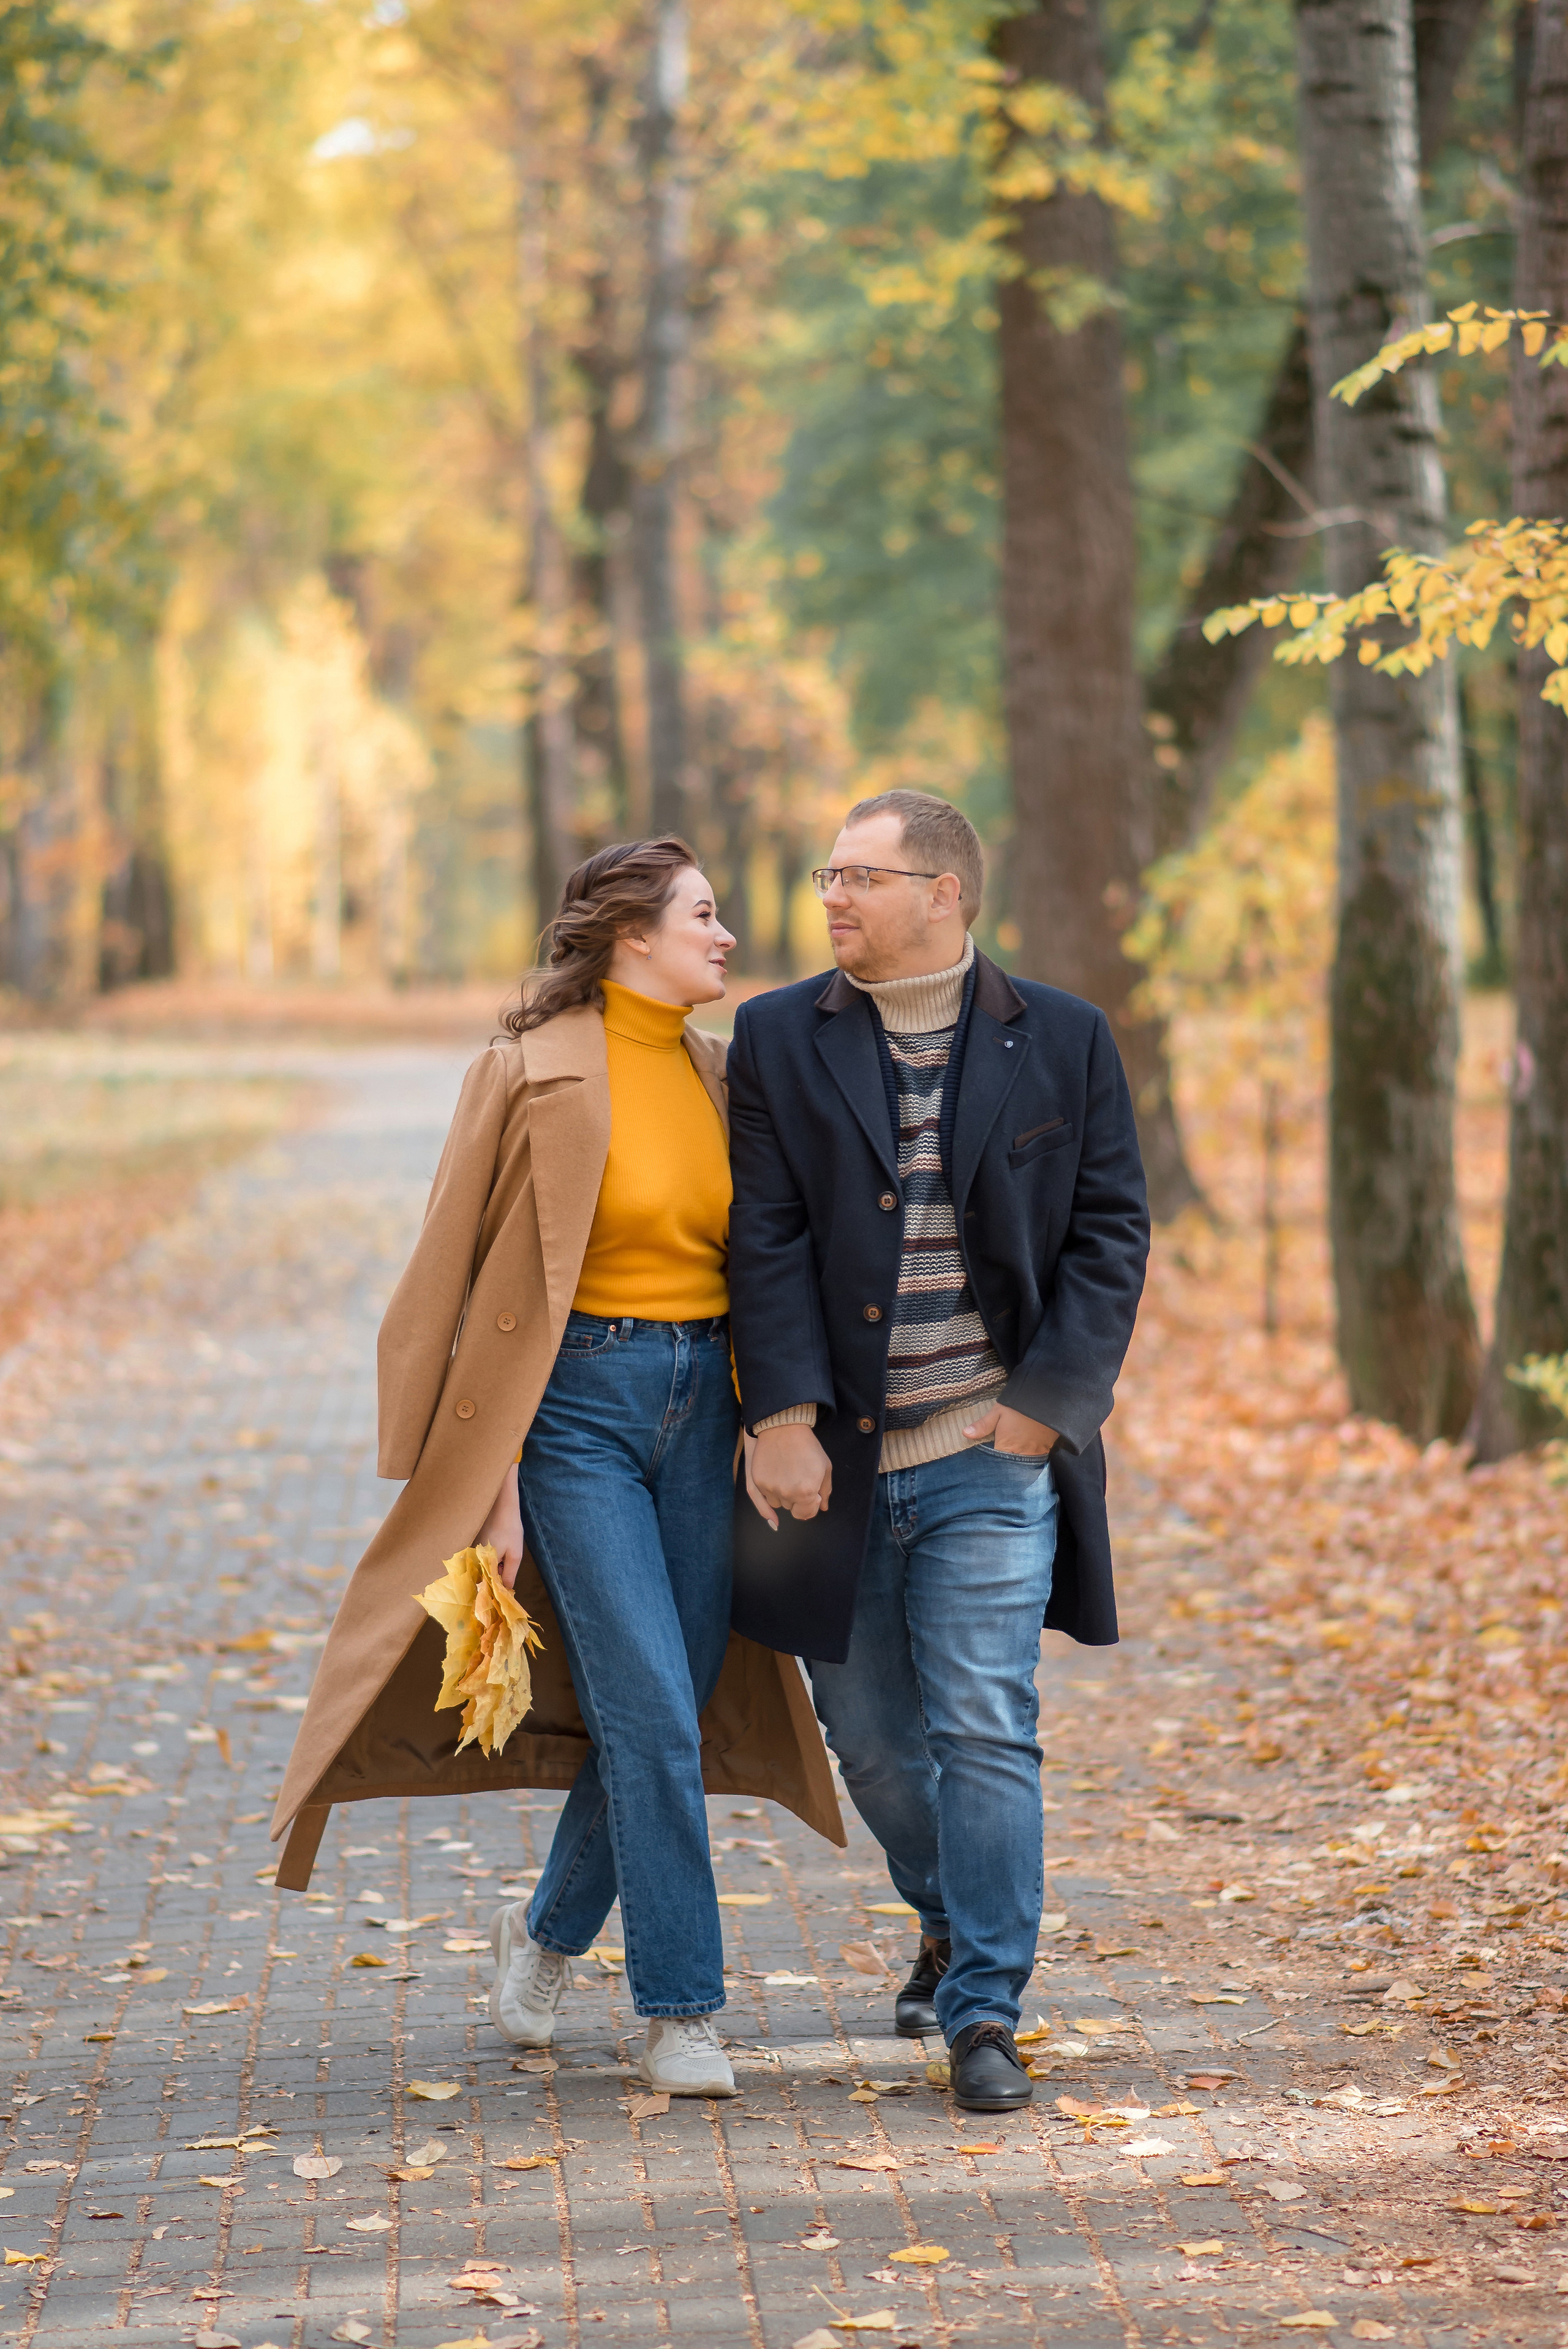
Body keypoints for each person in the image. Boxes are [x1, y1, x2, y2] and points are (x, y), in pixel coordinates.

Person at [272, 834, 843, 2100]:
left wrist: (777, 1417)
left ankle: (540, 1936)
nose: (728, 935)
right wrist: (492, 1483)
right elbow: (455, 1269)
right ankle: (681, 2011)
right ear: (632, 934)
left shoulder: (718, 1072)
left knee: (674, 1704)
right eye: (705, 913)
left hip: (705, 1410)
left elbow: (767, 1259)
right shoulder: (523, 1073)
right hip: (570, 1410)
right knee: (644, 1699)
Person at [728, 789, 1148, 2112]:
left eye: (860, 875)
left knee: (982, 1722)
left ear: (943, 893)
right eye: (826, 876)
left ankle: (983, 2011)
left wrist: (1045, 1404)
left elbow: (1108, 1232)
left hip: (987, 1449)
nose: (832, 898)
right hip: (835, 1459)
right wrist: (781, 1416)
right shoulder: (777, 1037)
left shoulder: (1064, 1039)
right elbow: (768, 1238)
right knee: (870, 1741)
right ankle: (948, 1915)